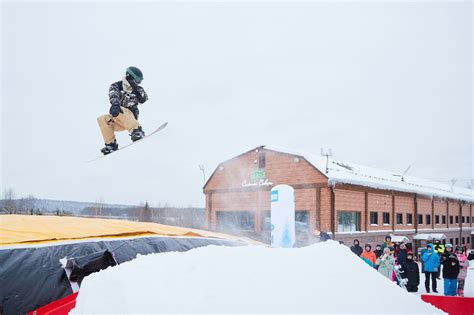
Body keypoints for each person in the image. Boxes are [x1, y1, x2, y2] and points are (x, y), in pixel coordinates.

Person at [97, 66, 148, 155]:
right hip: (118, 119)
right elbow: (113, 94)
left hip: (131, 120)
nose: (139, 83)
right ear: (130, 77)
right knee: (102, 119)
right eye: (138, 80)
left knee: (122, 109)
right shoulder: (117, 86)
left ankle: (137, 131)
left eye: (140, 81)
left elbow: (144, 98)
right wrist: (115, 104)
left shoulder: (138, 89)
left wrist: (136, 88)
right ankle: (111, 144)